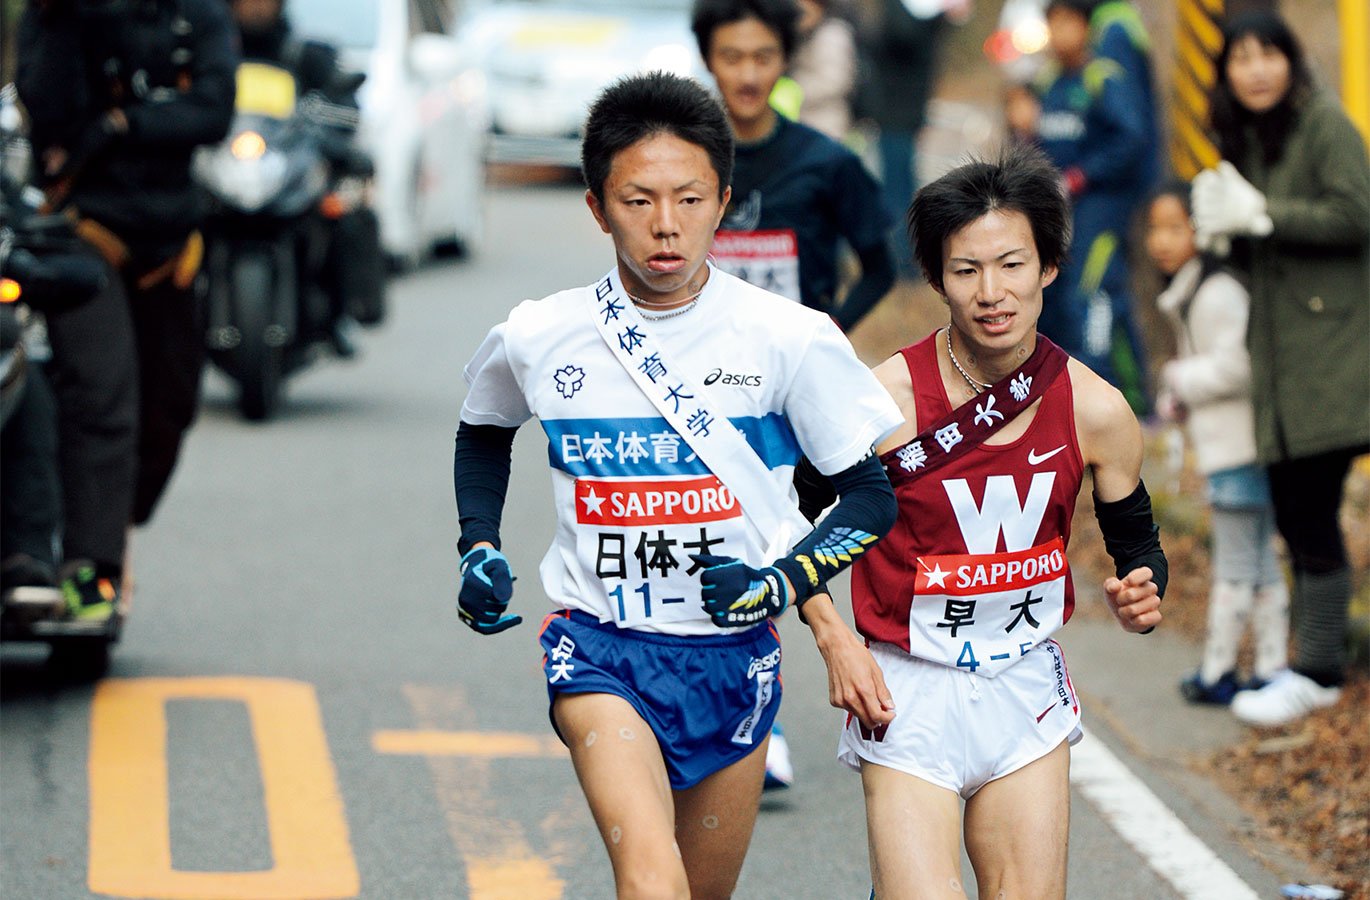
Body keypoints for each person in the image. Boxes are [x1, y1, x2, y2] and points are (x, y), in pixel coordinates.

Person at [452, 71, 903, 897]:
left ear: (724, 199)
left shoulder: (788, 339)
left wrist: (781, 581)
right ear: (596, 207)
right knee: (650, 879)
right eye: (638, 201)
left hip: (733, 659)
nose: (667, 227)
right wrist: (477, 541)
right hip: (601, 649)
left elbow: (871, 496)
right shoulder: (540, 336)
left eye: (690, 199)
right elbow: (484, 430)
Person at [804, 144, 1166, 898]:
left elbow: (1138, 544)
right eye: (966, 271)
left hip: (1022, 686)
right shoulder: (882, 402)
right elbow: (785, 522)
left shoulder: (1097, 409)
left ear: (1048, 268)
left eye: (1011, 265)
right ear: (937, 278)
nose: (991, 292)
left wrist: (1143, 589)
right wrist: (834, 637)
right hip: (905, 689)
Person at [17, 0, 237, 619]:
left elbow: (213, 113)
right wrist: (63, 21)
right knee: (103, 400)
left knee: (170, 409)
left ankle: (105, 524)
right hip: (87, 237)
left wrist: (118, 124)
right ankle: (91, 573)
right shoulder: (60, 17)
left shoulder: (198, 16)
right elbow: (53, 115)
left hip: (173, 245)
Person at [1192, 11, 1369, 727]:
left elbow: (1357, 213)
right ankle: (1314, 665)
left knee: (1308, 508)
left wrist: (1264, 213)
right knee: (1302, 510)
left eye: (1270, 55)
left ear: (1292, 61)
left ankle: (1319, 670)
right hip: (1287, 362)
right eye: (1242, 58)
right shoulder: (1248, 140)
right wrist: (1222, 236)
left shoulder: (1323, 124)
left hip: (1333, 353)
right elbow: (1260, 248)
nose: (1257, 69)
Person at [1145, 181, 1286, 704]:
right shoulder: (1196, 290)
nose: (1161, 241)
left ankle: (1219, 671)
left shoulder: (1214, 293)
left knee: (1235, 564)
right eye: (1155, 228)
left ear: (1202, 232)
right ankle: (1270, 668)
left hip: (1239, 450)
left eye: (1175, 228)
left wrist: (1180, 379)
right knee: (1260, 563)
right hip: (1243, 446)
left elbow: (1240, 365)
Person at [692, 0, 895, 336]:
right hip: (701, 362)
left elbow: (880, 270)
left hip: (795, 375)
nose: (748, 76)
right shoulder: (684, 159)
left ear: (786, 59)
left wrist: (828, 335)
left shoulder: (828, 161)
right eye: (732, 58)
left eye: (763, 57)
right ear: (706, 58)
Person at [230, 0, 385, 354]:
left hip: (287, 173)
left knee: (339, 213)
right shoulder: (214, 54)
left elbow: (344, 107)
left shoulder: (304, 55)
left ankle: (336, 315)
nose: (255, 8)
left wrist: (330, 137)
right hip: (228, 170)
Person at [1030, 0, 1153, 413]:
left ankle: (1129, 402)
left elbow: (1132, 139)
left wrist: (1084, 175)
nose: (1060, 33)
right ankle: (1070, 402)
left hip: (1102, 211)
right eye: (1053, 24)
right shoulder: (1049, 83)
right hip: (1057, 215)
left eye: (1068, 22)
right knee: (1057, 301)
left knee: (1095, 297)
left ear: (1085, 27)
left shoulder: (1104, 79)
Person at [858, 0, 967, 278]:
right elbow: (899, 35)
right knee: (899, 189)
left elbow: (899, 36)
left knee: (897, 191)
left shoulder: (911, 21)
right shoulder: (917, 20)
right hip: (899, 114)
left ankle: (903, 262)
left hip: (899, 115)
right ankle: (904, 261)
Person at [784, 0, 858, 141]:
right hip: (801, 122)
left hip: (826, 123)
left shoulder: (833, 35)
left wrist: (792, 88)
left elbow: (835, 82)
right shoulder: (800, 34)